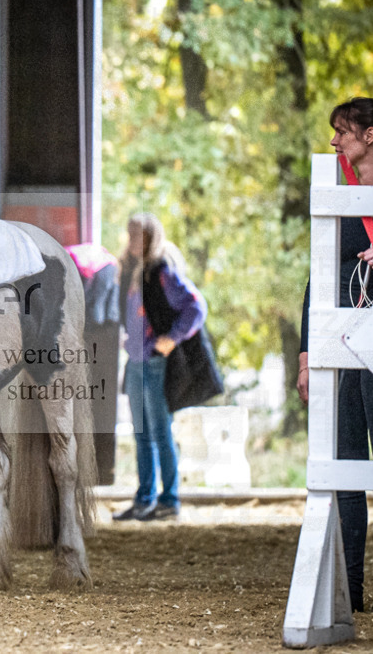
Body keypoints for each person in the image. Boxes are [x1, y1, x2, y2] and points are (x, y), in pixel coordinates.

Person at [299, 97, 373, 615]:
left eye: (342, 131)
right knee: (345, 468)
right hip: (339, 349)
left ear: (371, 136)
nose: (335, 140)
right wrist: (303, 354)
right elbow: (317, 280)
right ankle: (350, 588)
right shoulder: (342, 196)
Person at [114, 213, 208, 523]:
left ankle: (169, 500)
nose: (132, 242)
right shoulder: (128, 272)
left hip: (155, 362)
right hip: (136, 361)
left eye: (138, 236)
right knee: (141, 434)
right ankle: (144, 500)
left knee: (160, 431)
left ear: (151, 239)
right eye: (130, 236)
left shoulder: (161, 272)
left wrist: (171, 338)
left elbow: (196, 307)